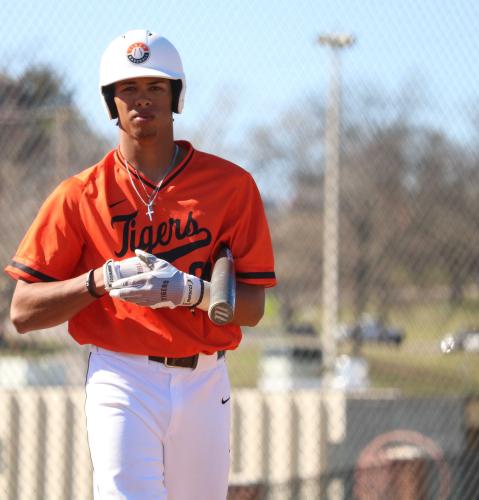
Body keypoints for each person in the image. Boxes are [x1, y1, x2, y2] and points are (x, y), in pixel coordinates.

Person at [5, 29, 276, 500]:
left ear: (176, 96)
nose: (142, 100)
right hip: (120, 377)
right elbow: (23, 311)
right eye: (128, 88)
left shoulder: (232, 186)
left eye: (156, 87)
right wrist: (98, 280)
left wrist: (193, 293)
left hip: (205, 377)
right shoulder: (79, 194)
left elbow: (252, 306)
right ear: (111, 102)